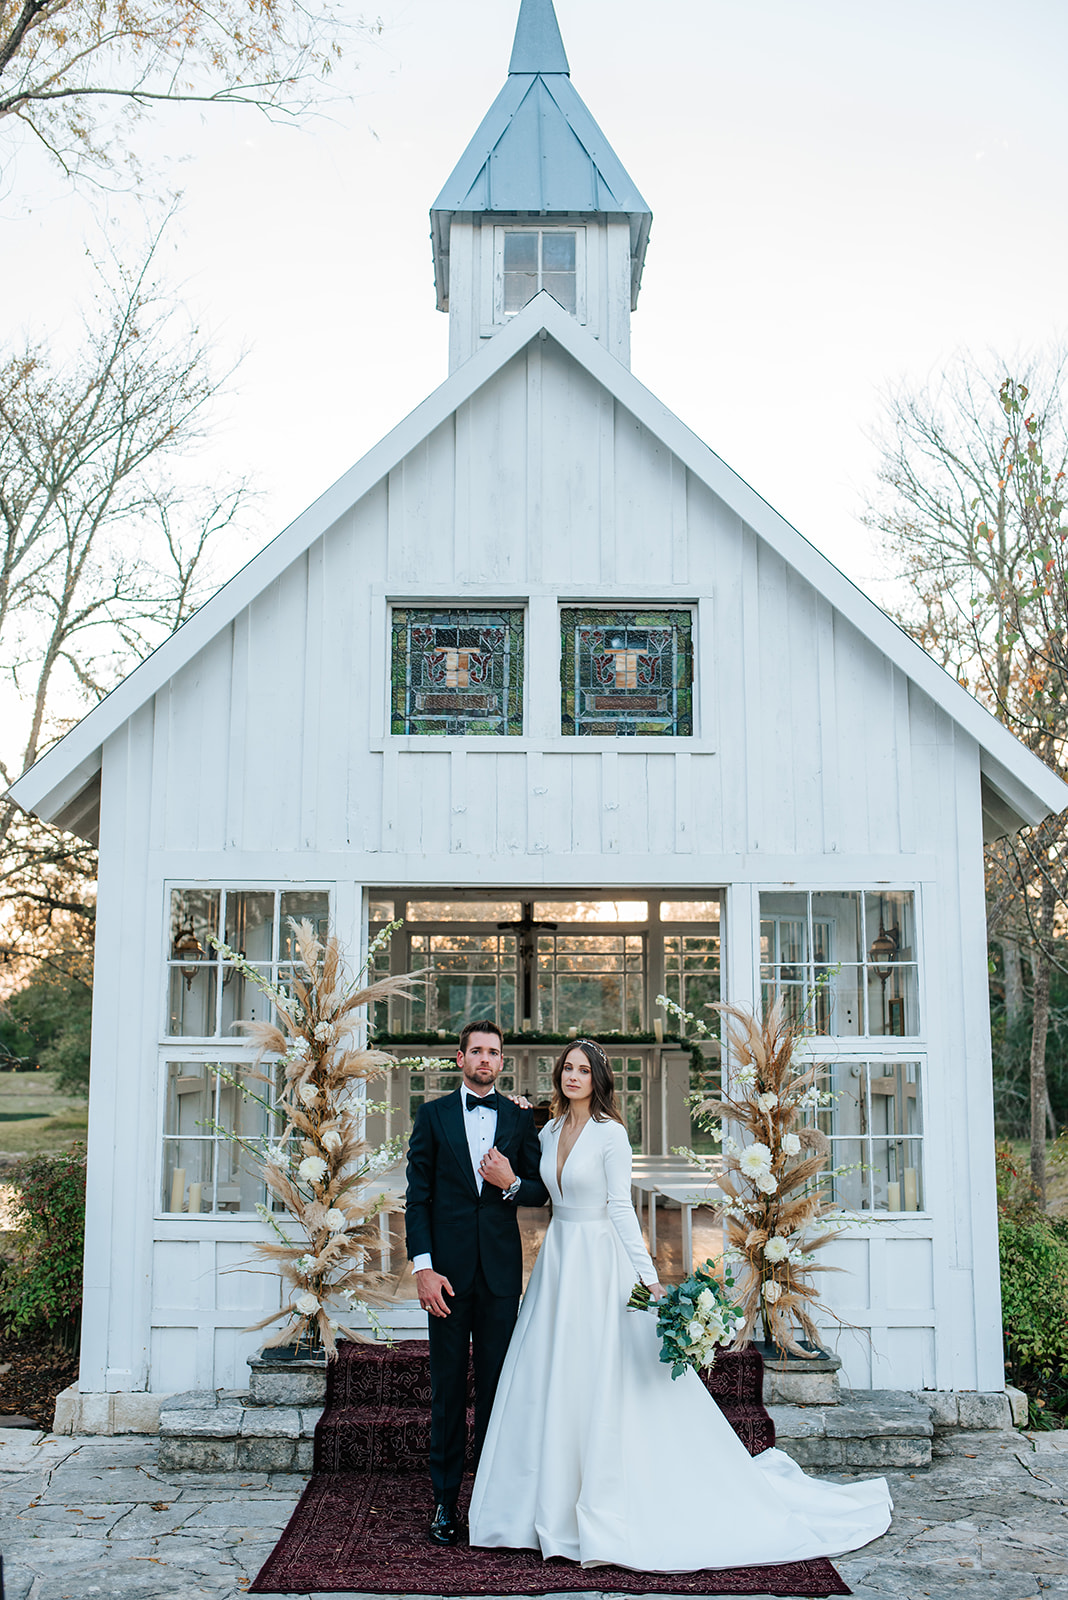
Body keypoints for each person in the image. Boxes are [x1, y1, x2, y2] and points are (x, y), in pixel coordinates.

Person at [468, 1038, 893, 1572]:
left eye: (582, 1070)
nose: (572, 1077)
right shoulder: (550, 1130)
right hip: (558, 1263)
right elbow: (543, 1189)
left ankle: (609, 1503)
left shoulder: (611, 1135)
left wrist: (651, 1285)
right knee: (551, 1376)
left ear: (598, 1080)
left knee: (603, 1375)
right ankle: (541, 1508)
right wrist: (509, 1179)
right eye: (567, 1069)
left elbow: (622, 1212)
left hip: (602, 1266)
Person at [405, 1018, 549, 1547]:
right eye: (477, 1051)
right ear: (460, 1058)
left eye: (494, 1052)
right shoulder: (433, 1116)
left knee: (496, 1390)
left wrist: (509, 1184)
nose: (485, 1059)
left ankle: (490, 1501)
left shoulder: (518, 1118)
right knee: (447, 1390)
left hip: (499, 1278)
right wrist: (423, 1268)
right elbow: (416, 1198)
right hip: (444, 1277)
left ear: (502, 1062)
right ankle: (445, 1502)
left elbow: (539, 1191)